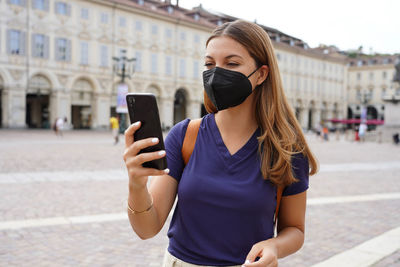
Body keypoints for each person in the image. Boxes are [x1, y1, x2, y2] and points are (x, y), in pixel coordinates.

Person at [123, 20, 318, 267]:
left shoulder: (287, 148)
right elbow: (146, 229)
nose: (216, 73)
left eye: (232, 63)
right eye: (209, 64)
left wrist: (274, 246)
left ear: (261, 74)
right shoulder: (184, 136)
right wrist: (136, 185)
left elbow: (295, 230)